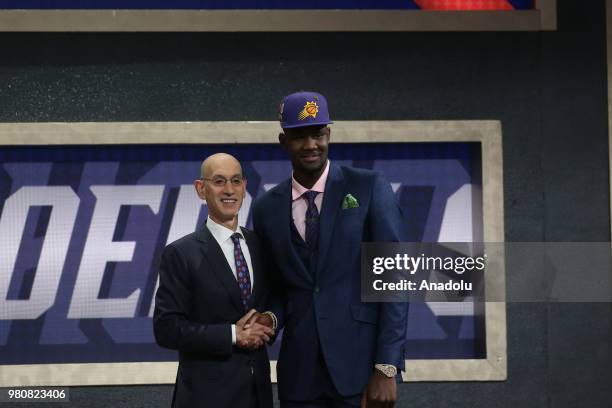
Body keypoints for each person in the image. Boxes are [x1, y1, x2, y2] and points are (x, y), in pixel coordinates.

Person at [251, 92, 408, 407]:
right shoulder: (266, 207)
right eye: (299, 136)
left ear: (329, 135)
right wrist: (269, 317)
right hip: (299, 375)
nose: (311, 144)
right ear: (284, 141)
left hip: (361, 372)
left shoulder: (368, 186)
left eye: (318, 134)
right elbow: (279, 289)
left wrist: (386, 366)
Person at [154, 153, 275, 408]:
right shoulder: (181, 253)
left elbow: (277, 300)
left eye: (235, 181)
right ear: (201, 189)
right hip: (205, 398)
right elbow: (167, 328)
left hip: (259, 394)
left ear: (244, 187)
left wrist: (269, 320)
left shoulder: (261, 245)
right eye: (219, 181)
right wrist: (232, 335)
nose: (229, 190)